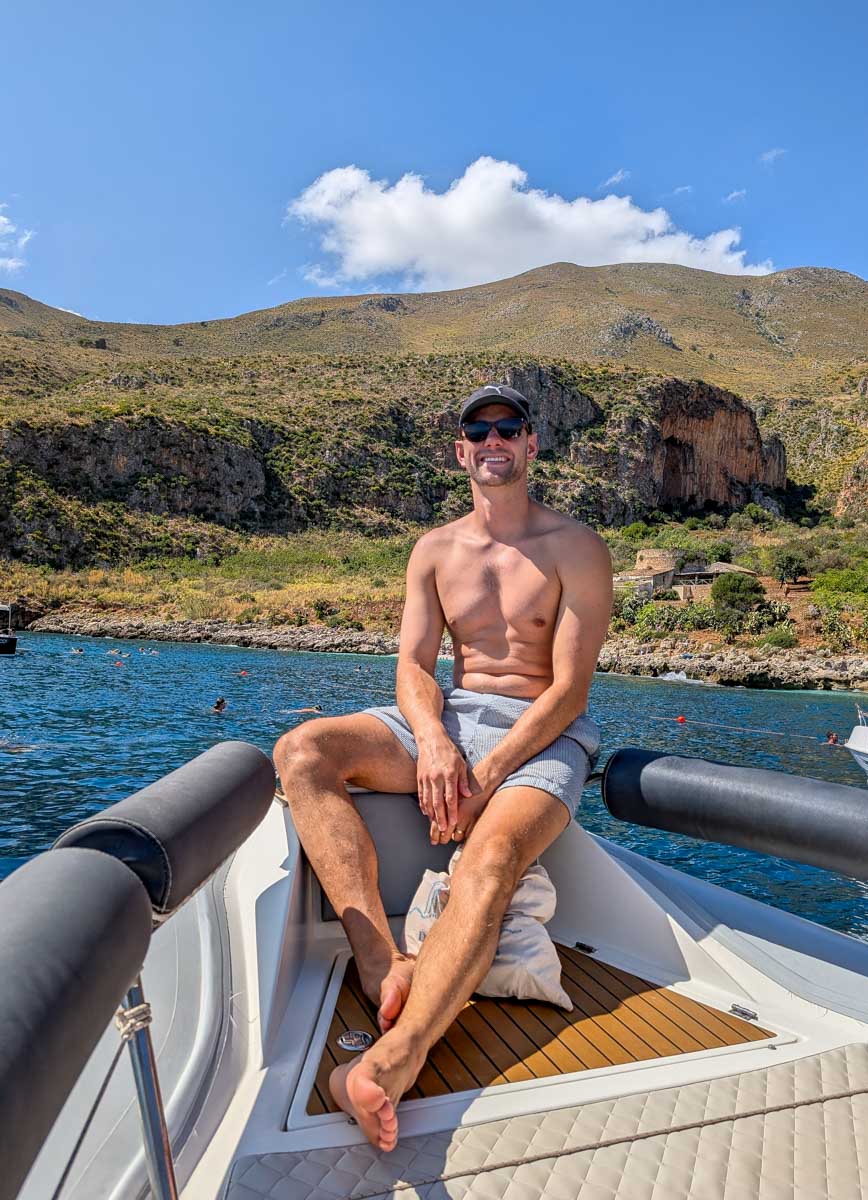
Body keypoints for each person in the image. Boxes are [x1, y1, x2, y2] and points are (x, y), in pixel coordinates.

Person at [274, 383, 612, 1151]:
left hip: (543, 733)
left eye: (509, 427)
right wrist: (432, 741)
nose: (494, 439)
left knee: (491, 858)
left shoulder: (577, 547)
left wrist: (485, 776)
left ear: (531, 445)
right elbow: (414, 666)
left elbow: (569, 690)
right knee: (303, 751)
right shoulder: (433, 550)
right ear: (460, 450)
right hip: (453, 717)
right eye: (478, 430)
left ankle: (395, 1058)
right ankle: (380, 965)